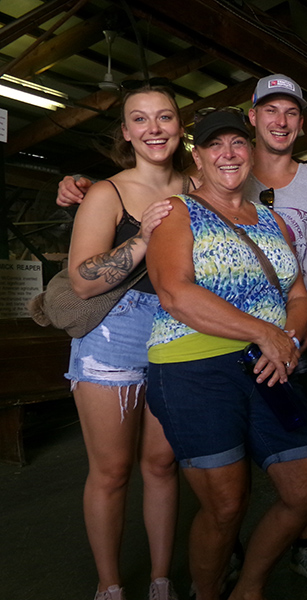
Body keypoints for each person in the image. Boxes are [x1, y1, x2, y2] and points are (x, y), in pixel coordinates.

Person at [145, 108, 307, 600]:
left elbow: (296, 294)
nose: (228, 153)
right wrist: (262, 333)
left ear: (250, 153)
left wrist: (285, 338)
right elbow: (175, 294)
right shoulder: (178, 212)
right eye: (214, 146)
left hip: (269, 365)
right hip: (193, 368)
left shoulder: (269, 219)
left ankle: (248, 587)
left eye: (238, 144)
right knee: (226, 505)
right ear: (198, 159)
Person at [65, 79, 192, 600]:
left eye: (163, 116)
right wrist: (143, 235)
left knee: (162, 463)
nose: (153, 128)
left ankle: (160, 581)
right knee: (112, 471)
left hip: (180, 328)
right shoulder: (107, 192)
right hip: (114, 334)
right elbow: (81, 279)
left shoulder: (199, 183)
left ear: (179, 126)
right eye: (139, 119)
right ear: (126, 132)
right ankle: (111, 585)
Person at [241, 73, 307, 590]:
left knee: (306, 446)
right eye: (270, 111)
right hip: (233, 337)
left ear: (302, 124)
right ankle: (230, 551)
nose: (281, 122)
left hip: (301, 335)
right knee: (232, 453)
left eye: (291, 113)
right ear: (253, 116)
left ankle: (306, 545)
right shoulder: (223, 171)